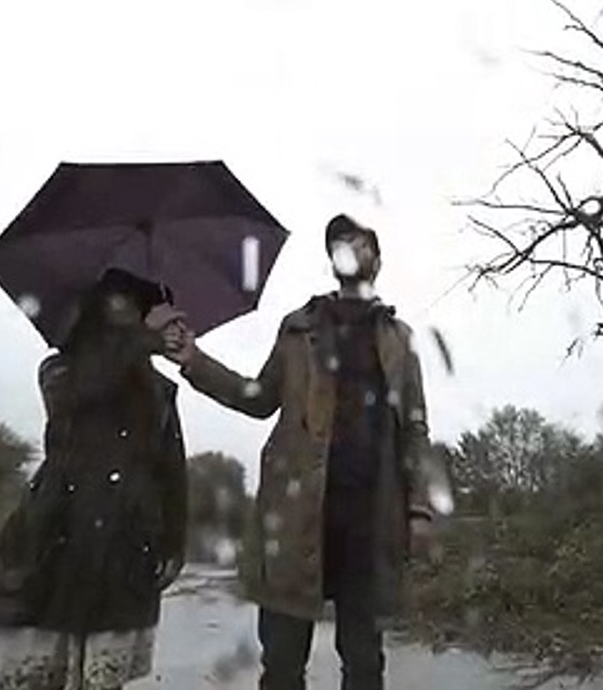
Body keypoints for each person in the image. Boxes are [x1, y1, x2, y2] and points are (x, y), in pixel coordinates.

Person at [167, 214, 438, 690]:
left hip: (370, 520)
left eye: (361, 243)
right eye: (341, 244)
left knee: (365, 664)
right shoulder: (298, 329)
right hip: (295, 516)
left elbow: (414, 430)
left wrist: (419, 511)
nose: (351, 251)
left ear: (377, 259)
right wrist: (195, 361)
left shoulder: (399, 339)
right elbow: (257, 398)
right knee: (283, 663)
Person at [0, 268, 190, 690]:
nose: (131, 315)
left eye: (138, 307)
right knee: (39, 673)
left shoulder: (158, 390)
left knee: (102, 678)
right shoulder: (60, 371)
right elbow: (79, 402)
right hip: (56, 534)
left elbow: (171, 469)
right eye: (119, 303)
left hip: (125, 541)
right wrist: (144, 340)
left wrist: (175, 540)